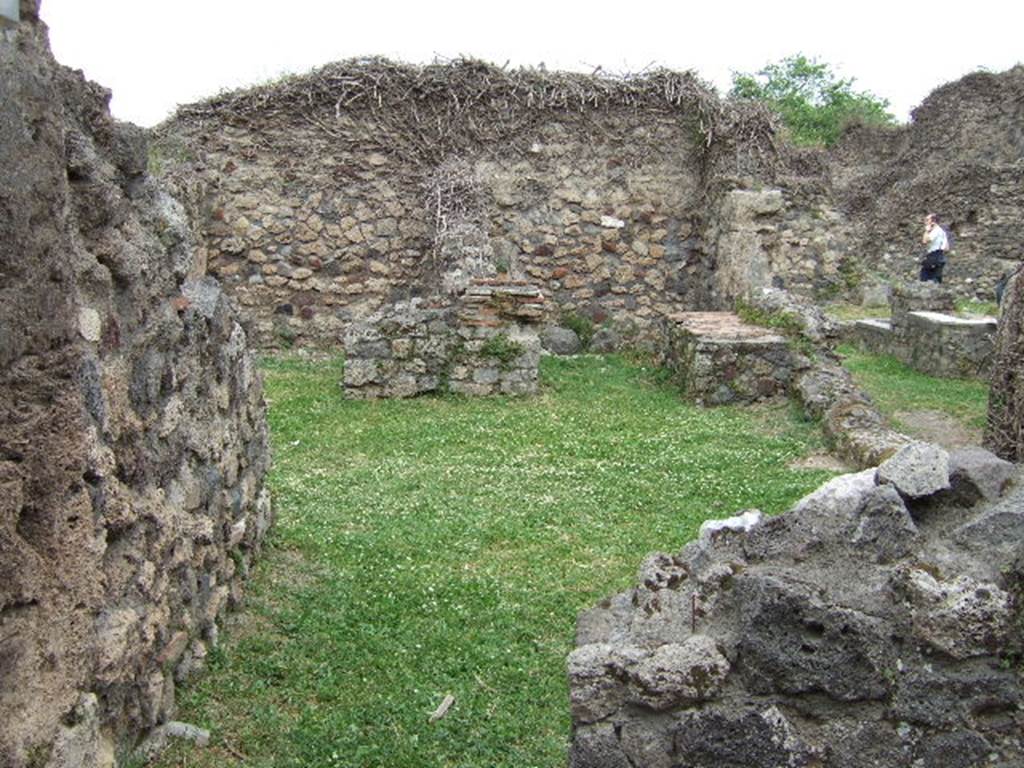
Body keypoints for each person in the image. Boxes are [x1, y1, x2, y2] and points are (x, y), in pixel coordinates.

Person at [919, 213, 949, 283]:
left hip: (933, 255)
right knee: (936, 279)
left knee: (924, 276)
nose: (925, 221)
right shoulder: (942, 232)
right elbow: (947, 248)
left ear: (933, 221)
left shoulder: (936, 230)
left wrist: (926, 230)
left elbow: (925, 241)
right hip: (941, 257)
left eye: (927, 220)